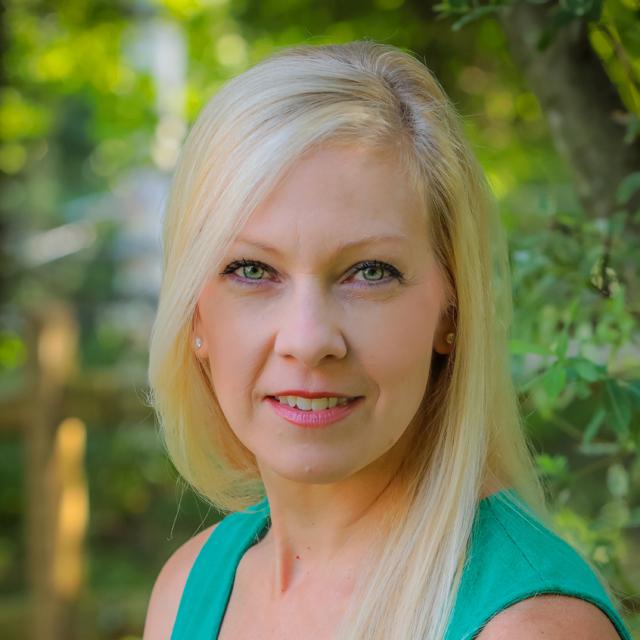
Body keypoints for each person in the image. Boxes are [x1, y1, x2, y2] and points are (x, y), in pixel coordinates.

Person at [142, 41, 632, 640]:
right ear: (194, 317)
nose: (308, 339)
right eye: (251, 270)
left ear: (453, 311)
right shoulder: (188, 588)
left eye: (369, 271)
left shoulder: (527, 628)